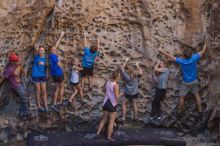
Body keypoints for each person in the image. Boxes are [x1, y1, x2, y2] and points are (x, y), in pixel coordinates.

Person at [159, 35, 209, 120]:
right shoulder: (194, 58)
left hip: (185, 83)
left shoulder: (182, 61)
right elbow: (203, 50)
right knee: (197, 96)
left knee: (181, 97)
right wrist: (206, 41)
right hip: (194, 81)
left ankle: (179, 113)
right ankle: (200, 112)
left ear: (184, 56)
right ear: (191, 54)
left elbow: (171, 56)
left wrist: (161, 51)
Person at [0, 52, 34, 118]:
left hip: (18, 84)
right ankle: (27, 113)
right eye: (16, 61)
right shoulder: (9, 69)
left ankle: (21, 113)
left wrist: (24, 72)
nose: (17, 61)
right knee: (24, 98)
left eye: (17, 60)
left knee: (23, 97)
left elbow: (20, 68)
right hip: (15, 86)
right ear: (12, 62)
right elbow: (3, 78)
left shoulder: (16, 65)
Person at [96, 71, 120, 140]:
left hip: (105, 103)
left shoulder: (107, 81)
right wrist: (121, 94)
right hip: (112, 104)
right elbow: (117, 97)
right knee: (111, 122)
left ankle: (97, 133)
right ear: (117, 77)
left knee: (104, 119)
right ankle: (109, 137)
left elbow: (103, 90)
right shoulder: (116, 85)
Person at [121, 58, 143, 123]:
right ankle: (135, 118)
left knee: (123, 104)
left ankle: (123, 118)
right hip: (134, 92)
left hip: (127, 92)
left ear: (127, 70)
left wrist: (125, 60)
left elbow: (122, 69)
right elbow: (141, 73)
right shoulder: (136, 76)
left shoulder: (126, 76)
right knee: (134, 105)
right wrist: (137, 65)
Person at [147, 60, 169, 125]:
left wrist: (157, 62)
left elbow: (155, 68)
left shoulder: (166, 70)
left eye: (161, 63)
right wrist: (154, 73)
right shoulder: (159, 74)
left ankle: (151, 117)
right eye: (160, 64)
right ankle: (158, 117)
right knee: (157, 103)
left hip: (162, 90)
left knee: (154, 103)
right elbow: (156, 81)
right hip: (158, 89)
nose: (160, 64)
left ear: (164, 64)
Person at [49, 32, 65, 112]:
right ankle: (60, 102)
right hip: (59, 74)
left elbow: (56, 45)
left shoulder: (51, 55)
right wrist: (63, 71)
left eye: (55, 49)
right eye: (54, 49)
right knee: (61, 88)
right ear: (51, 51)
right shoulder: (54, 57)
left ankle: (54, 103)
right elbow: (59, 64)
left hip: (54, 75)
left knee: (57, 89)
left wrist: (61, 36)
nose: (55, 50)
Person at [32, 46, 48, 113]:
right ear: (38, 51)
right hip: (36, 75)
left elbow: (47, 67)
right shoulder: (36, 56)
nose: (41, 51)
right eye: (40, 50)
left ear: (44, 51)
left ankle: (46, 106)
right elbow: (34, 46)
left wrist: (47, 74)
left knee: (44, 91)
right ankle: (38, 106)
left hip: (43, 75)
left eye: (42, 50)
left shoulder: (46, 58)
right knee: (38, 91)